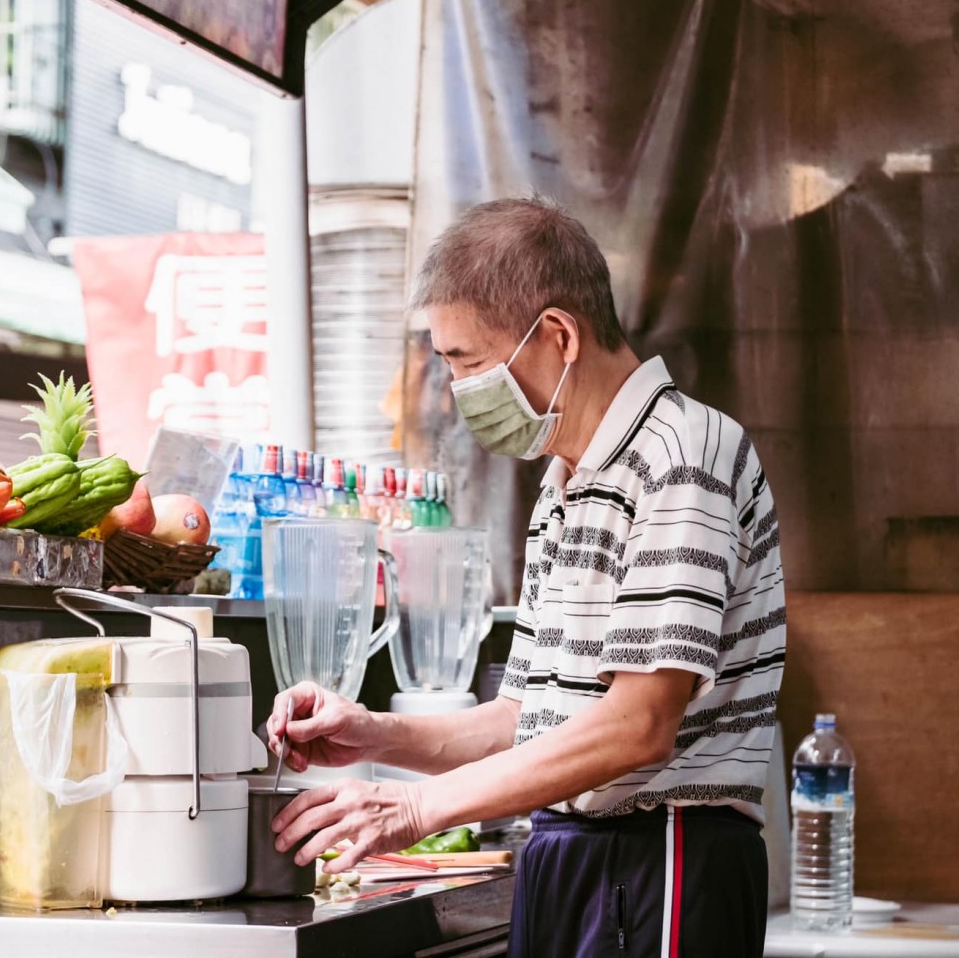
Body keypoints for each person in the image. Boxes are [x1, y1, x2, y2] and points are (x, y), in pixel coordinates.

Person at [268, 197, 785, 957]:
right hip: (570, 855)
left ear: (558, 336)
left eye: (469, 363)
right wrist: (373, 734)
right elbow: (526, 718)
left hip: (661, 860)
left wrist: (415, 809)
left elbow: (639, 724)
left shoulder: (682, 453)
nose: (456, 392)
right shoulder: (564, 481)